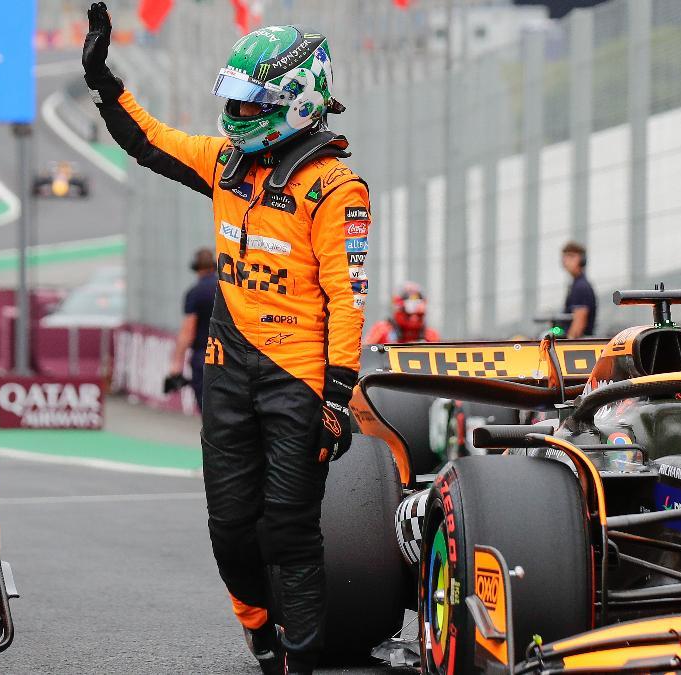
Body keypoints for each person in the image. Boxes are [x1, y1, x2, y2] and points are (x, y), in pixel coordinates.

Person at [84, 6, 369, 673]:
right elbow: (149, 140)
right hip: (228, 368)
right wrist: (104, 81)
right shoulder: (225, 162)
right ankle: (261, 628)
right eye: (235, 101)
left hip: (299, 379)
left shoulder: (336, 188)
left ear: (296, 103)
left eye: (252, 102)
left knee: (289, 530)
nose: (238, 114)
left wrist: (337, 395)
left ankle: (299, 657)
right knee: (230, 526)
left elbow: (347, 299)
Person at [165, 248, 217, 407]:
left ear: (196, 268)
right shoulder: (227, 289)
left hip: (204, 356)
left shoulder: (195, 293)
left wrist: (176, 365)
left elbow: (188, 331)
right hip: (231, 355)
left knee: (207, 411)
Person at [365, 281, 442, 344]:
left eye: (419, 314)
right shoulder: (382, 330)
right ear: (398, 308)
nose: (414, 317)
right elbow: (364, 355)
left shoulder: (431, 335)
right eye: (409, 313)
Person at [561, 240, 597, 338]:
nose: (566, 260)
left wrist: (567, 345)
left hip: (578, 348)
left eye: (571, 256)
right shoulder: (576, 284)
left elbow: (579, 323)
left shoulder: (581, 286)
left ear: (582, 260)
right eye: (565, 256)